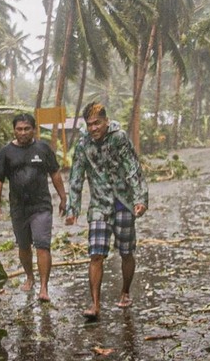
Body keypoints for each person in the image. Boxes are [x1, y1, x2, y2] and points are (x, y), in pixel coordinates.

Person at [64, 102, 149, 320]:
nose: (94, 128)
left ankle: (125, 291)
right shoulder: (83, 143)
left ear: (106, 121)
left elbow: (133, 168)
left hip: (123, 203)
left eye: (97, 123)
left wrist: (140, 198)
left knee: (126, 252)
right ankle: (95, 304)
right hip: (99, 205)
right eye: (90, 124)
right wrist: (72, 207)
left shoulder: (119, 138)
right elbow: (76, 175)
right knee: (96, 254)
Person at [0, 113, 67, 302]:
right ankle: (29, 276)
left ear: (34, 129)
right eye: (19, 129)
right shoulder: (5, 152)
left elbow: (55, 173)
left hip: (41, 206)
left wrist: (63, 197)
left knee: (42, 244)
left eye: (27, 129)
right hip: (18, 207)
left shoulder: (43, 148)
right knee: (24, 246)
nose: (23, 132)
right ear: (14, 130)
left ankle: (43, 287)